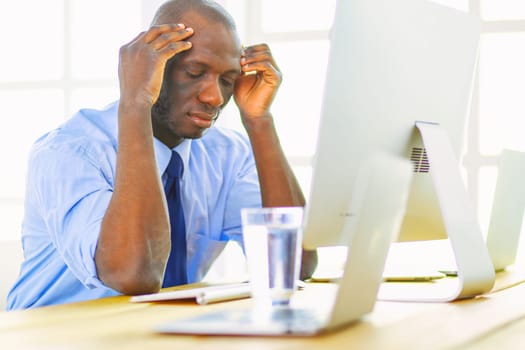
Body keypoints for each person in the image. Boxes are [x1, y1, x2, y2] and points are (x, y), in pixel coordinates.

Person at [7, 0, 317, 310]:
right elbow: (133, 274)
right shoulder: (71, 152)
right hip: (57, 334)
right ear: (154, 66)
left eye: (227, 80)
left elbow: (294, 265)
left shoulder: (227, 156)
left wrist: (259, 121)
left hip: (159, 333)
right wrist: (136, 101)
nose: (215, 97)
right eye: (195, 72)